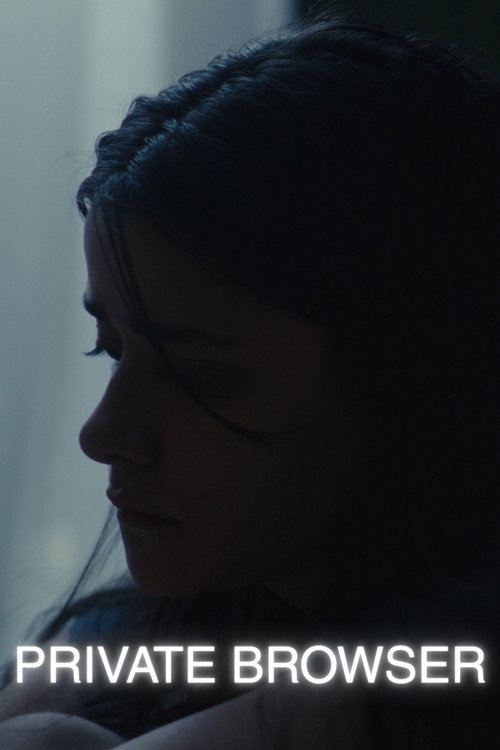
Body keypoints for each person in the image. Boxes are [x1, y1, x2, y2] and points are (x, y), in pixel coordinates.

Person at [0, 13, 498, 748]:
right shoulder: (151, 634)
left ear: (417, 383)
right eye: (110, 350)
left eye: (196, 376)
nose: (101, 435)